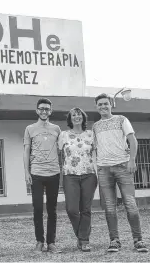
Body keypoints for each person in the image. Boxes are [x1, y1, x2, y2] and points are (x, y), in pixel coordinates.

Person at [92, 93, 148, 253]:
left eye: (106, 104)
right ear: (96, 107)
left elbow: (133, 140)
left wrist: (132, 160)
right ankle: (114, 241)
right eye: (100, 104)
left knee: (130, 204)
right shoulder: (95, 126)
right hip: (104, 169)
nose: (103, 107)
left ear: (111, 104)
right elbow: (96, 147)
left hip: (123, 166)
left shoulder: (122, 119)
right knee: (109, 207)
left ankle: (138, 240)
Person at [23, 98, 62, 254]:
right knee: (38, 209)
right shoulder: (30, 129)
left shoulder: (57, 129)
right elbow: (26, 152)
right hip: (37, 173)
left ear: (50, 111)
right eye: (41, 108)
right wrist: (26, 172)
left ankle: (51, 242)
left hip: (54, 172)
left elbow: (61, 151)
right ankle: (40, 242)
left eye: (47, 109)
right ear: (37, 110)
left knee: (52, 210)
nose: (44, 111)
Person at [58, 107, 97, 252]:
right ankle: (82, 236)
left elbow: (99, 152)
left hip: (89, 174)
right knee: (72, 209)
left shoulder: (91, 134)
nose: (77, 117)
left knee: (85, 209)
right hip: (70, 175)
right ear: (70, 119)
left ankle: (84, 240)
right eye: (73, 115)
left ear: (83, 117)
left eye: (79, 114)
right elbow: (59, 155)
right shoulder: (63, 135)